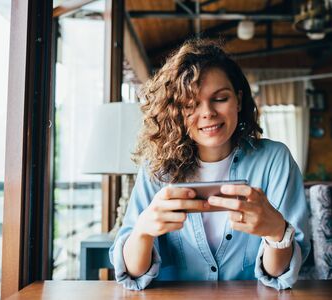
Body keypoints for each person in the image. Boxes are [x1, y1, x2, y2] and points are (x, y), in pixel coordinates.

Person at [109, 39, 310, 291]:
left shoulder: (274, 160)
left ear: (238, 100)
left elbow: (280, 276)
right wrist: (143, 232)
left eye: (220, 98)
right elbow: (132, 275)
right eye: (190, 104)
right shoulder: (157, 167)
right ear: (176, 112)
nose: (208, 113)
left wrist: (276, 233)